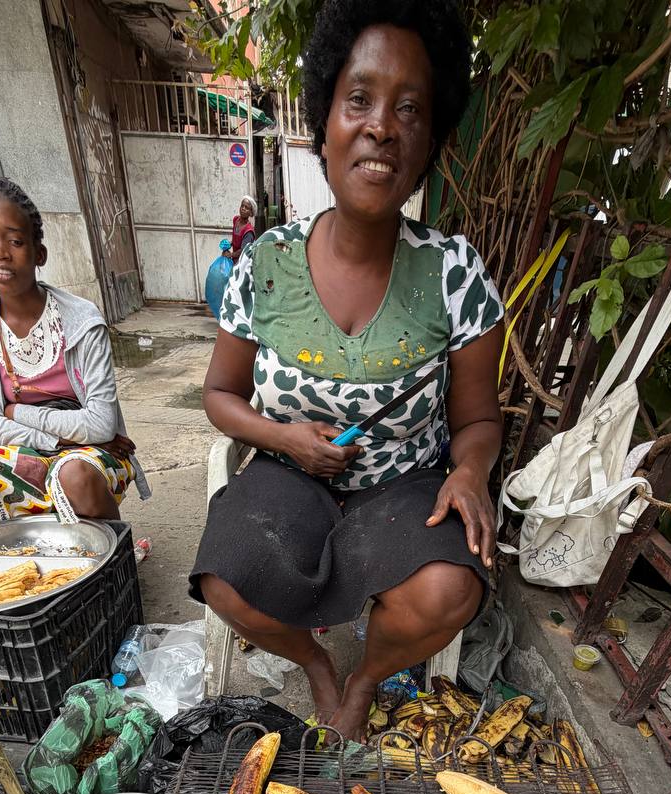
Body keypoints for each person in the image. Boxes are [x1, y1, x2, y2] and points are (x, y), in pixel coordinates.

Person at [191, 0, 504, 740]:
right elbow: (219, 394)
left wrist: (469, 472)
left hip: (404, 483)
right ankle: (317, 665)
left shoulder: (455, 272)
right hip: (286, 473)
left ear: (429, 141)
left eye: (409, 109)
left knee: (449, 588)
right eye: (359, 99)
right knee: (226, 576)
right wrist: (284, 438)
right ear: (323, 122)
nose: (382, 127)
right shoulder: (265, 262)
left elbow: (479, 419)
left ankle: (364, 678)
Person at [0, 176, 147, 524]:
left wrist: (15, 412)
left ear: (39, 253)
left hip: (93, 454)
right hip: (48, 446)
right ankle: (23, 548)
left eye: (15, 240)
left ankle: (115, 552)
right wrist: (62, 442)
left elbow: (101, 425)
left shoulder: (82, 319)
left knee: (74, 475)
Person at [231, 195, 257, 264]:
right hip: (234, 260)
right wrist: (229, 244)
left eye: (246, 208)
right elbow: (236, 239)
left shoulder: (248, 231)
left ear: (251, 213)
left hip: (243, 263)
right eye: (242, 206)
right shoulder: (236, 219)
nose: (243, 208)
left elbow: (243, 251)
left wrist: (230, 255)